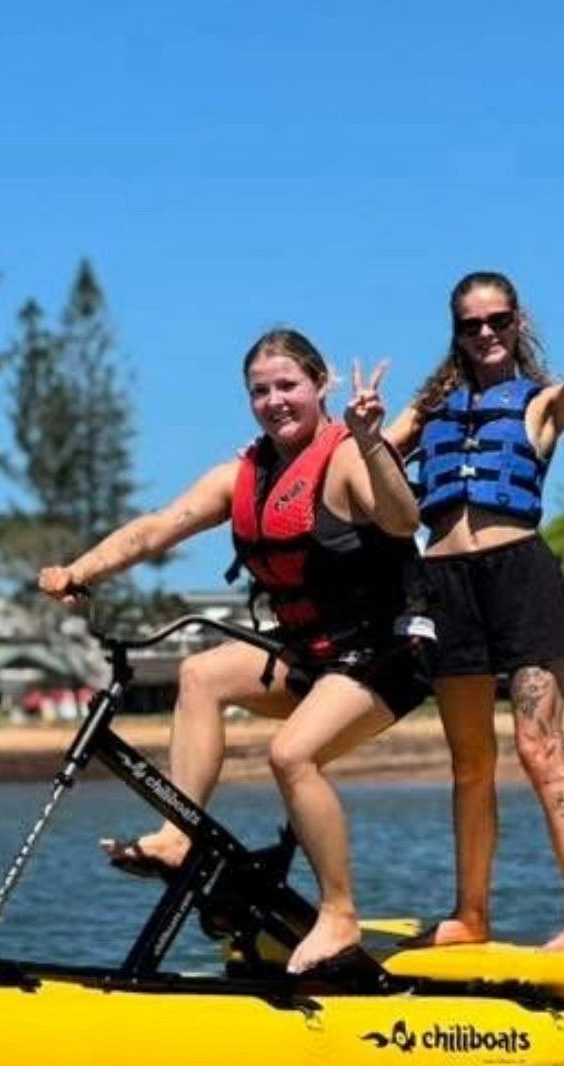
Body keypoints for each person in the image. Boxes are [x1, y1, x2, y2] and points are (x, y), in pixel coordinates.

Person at [39, 330, 429, 975]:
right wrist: (78, 572)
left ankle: (339, 915)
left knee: (292, 754)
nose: (275, 400)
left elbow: (401, 520)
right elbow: (158, 527)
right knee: (201, 673)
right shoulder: (241, 475)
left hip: (387, 653)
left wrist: (369, 440)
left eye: (287, 386)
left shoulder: (349, 459)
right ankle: (177, 834)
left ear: (319, 385)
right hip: (311, 654)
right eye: (260, 390)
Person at [386, 271, 564, 952]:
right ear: (457, 331)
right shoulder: (431, 408)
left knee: (540, 749)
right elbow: (373, 456)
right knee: (469, 762)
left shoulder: (539, 403)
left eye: (496, 320)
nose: (485, 334)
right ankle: (470, 915)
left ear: (516, 321)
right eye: (471, 324)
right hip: (445, 583)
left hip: (519, 577)